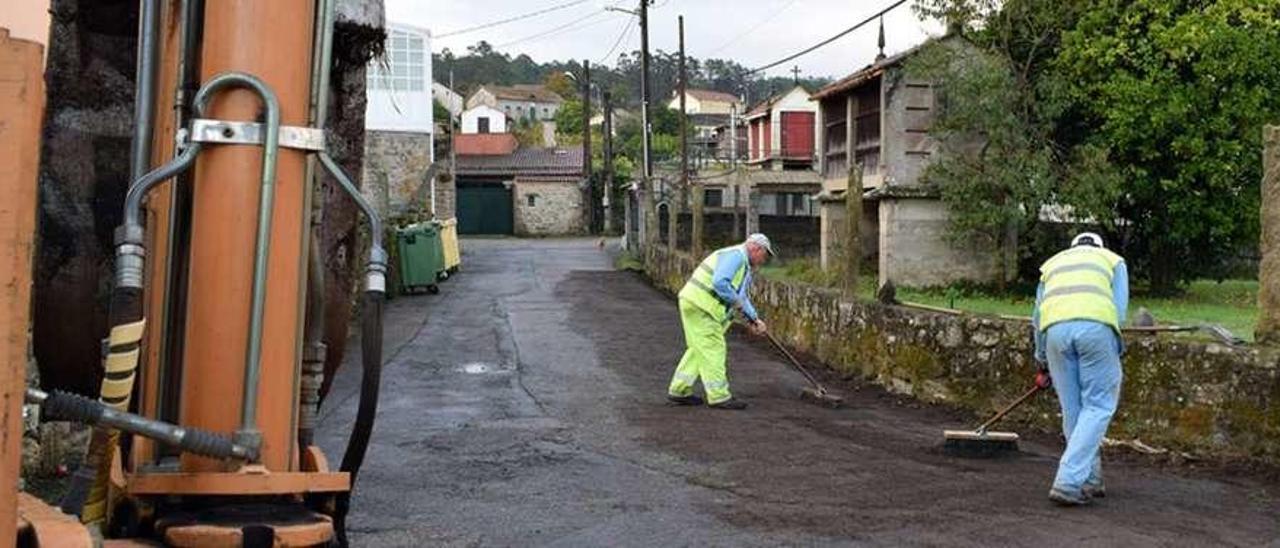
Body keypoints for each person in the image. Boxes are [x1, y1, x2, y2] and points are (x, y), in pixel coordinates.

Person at [1032, 232, 1129, 506]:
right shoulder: (1113, 261)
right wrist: (1115, 347)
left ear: (1072, 248)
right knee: (1098, 406)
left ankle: (1090, 479)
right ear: (1099, 247)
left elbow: (1037, 317)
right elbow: (1118, 311)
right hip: (1095, 329)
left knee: (1074, 411)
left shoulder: (1051, 264)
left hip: (1054, 334)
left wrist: (1041, 359)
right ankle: (1068, 481)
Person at [667, 233, 774, 410]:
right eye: (764, 255)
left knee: (698, 348)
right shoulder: (737, 257)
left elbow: (740, 296)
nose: (764, 260)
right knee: (713, 347)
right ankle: (719, 396)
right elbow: (720, 283)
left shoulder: (739, 260)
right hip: (703, 306)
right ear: (756, 249)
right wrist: (741, 307)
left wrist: (754, 319)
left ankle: (679, 390)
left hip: (693, 301)